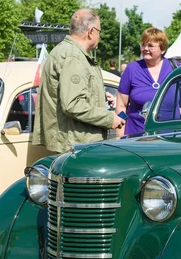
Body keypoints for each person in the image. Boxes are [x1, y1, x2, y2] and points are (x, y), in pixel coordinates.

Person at [33, 9, 125, 152]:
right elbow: (73, 105)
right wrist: (109, 118)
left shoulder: (63, 51)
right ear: (91, 31)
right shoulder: (73, 57)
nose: (99, 37)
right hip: (78, 145)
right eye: (99, 32)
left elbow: (69, 95)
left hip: (73, 142)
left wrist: (101, 98)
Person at [116, 27, 181, 137]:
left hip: (169, 136)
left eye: (150, 46)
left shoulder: (174, 67)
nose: (145, 48)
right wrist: (120, 136)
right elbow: (121, 106)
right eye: (143, 45)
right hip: (136, 135)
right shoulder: (132, 69)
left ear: (162, 49)